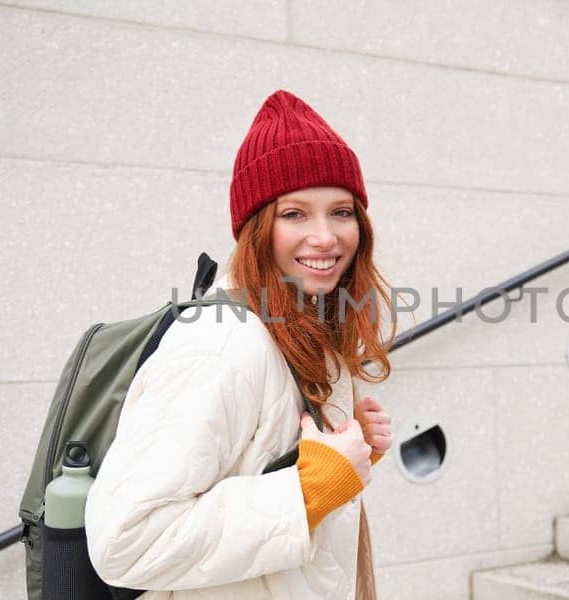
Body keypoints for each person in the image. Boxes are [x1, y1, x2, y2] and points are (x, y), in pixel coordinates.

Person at [84, 89, 396, 600]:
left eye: (341, 212)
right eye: (294, 214)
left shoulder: (304, 326)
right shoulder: (222, 344)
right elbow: (126, 541)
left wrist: (340, 447)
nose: (326, 237)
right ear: (256, 228)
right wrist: (309, 489)